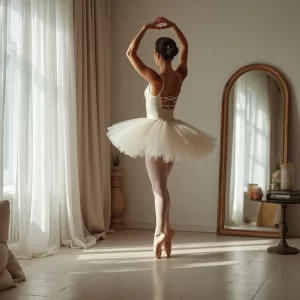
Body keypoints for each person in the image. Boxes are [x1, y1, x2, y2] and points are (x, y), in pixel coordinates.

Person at [107, 17, 216, 259]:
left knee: (158, 189)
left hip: (156, 134)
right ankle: (168, 229)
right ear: (172, 55)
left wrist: (145, 27)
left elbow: (129, 52)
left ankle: (158, 233)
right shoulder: (180, 76)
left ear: (157, 55)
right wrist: (175, 26)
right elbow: (186, 47)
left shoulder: (154, 80)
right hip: (173, 133)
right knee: (163, 188)